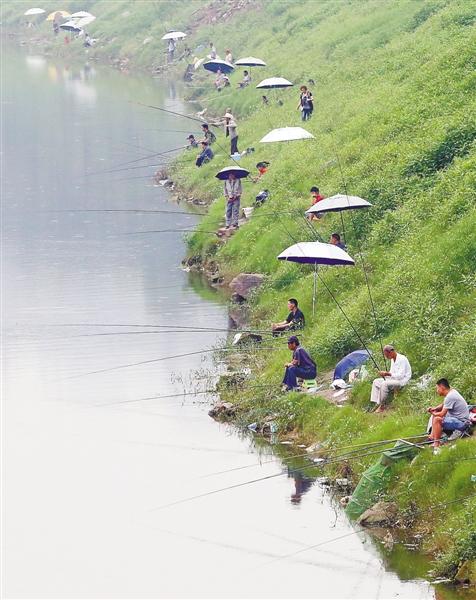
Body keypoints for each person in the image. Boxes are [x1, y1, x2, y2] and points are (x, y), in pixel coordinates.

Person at [428, 379, 471, 453]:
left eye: (437, 388)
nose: (437, 390)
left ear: (442, 387)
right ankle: (432, 436)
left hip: (462, 422)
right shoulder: (451, 392)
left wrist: (433, 413)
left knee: (437, 419)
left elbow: (442, 414)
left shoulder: (450, 397)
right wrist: (434, 409)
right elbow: (443, 405)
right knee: (436, 413)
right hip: (457, 418)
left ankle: (436, 444)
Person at [370, 345, 412, 412]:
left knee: (384, 384)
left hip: (401, 381)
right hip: (394, 380)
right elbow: (392, 373)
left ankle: (382, 405)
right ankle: (375, 403)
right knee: (376, 381)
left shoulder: (402, 359)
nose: (386, 357)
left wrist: (388, 374)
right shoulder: (393, 359)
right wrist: (384, 375)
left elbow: (401, 375)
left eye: (387, 355)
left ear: (391, 352)